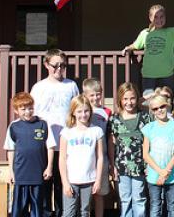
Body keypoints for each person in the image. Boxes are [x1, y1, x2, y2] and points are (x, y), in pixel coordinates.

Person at [31, 49, 79, 217]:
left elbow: (77, 110)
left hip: (65, 143)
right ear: (46, 65)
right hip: (44, 143)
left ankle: (61, 213)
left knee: (62, 183)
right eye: (55, 65)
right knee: (44, 182)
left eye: (63, 65)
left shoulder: (71, 85)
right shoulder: (38, 87)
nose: (59, 69)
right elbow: (33, 114)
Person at [123, 0, 174, 94]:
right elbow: (136, 45)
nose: (159, 19)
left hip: (167, 75)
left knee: (167, 102)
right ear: (150, 18)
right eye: (155, 17)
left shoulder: (170, 33)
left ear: (165, 17)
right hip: (149, 75)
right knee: (148, 103)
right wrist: (128, 48)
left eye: (162, 17)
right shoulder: (145, 33)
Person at [4, 92, 56, 217]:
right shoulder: (14, 126)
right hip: (21, 174)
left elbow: (50, 147)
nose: (28, 112)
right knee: (19, 208)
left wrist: (49, 167)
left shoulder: (43, 124)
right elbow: (10, 150)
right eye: (23, 109)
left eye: (30, 108)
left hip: (38, 174)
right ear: (16, 110)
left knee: (37, 208)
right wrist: (11, 171)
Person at [108, 83, 150, 217]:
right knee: (125, 199)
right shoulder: (114, 120)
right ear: (120, 100)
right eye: (125, 99)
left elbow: (149, 142)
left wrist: (148, 164)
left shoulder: (144, 117)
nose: (129, 102)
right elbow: (111, 144)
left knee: (139, 198)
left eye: (132, 98)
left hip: (140, 166)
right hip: (121, 167)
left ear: (137, 99)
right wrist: (112, 164)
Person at [59, 95, 104, 217]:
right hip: (71, 180)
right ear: (73, 112)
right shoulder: (66, 132)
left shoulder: (96, 131)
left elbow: (100, 157)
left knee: (85, 211)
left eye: (86, 111)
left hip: (89, 179)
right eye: (79, 111)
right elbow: (62, 159)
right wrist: (65, 182)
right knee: (69, 212)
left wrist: (98, 180)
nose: (83, 115)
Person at [142, 95, 174, 217]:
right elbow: (145, 154)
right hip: (154, 175)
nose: (159, 110)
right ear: (152, 111)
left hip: (172, 174)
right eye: (155, 108)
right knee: (155, 206)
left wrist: (166, 172)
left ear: (167, 105)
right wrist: (160, 172)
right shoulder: (149, 128)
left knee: (173, 206)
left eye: (162, 106)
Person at [82, 78, 112, 217]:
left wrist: (111, 161)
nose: (95, 97)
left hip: (102, 157)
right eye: (92, 95)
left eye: (98, 94)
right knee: (85, 195)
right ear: (85, 96)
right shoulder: (82, 112)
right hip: (85, 158)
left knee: (99, 194)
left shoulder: (107, 112)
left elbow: (110, 137)